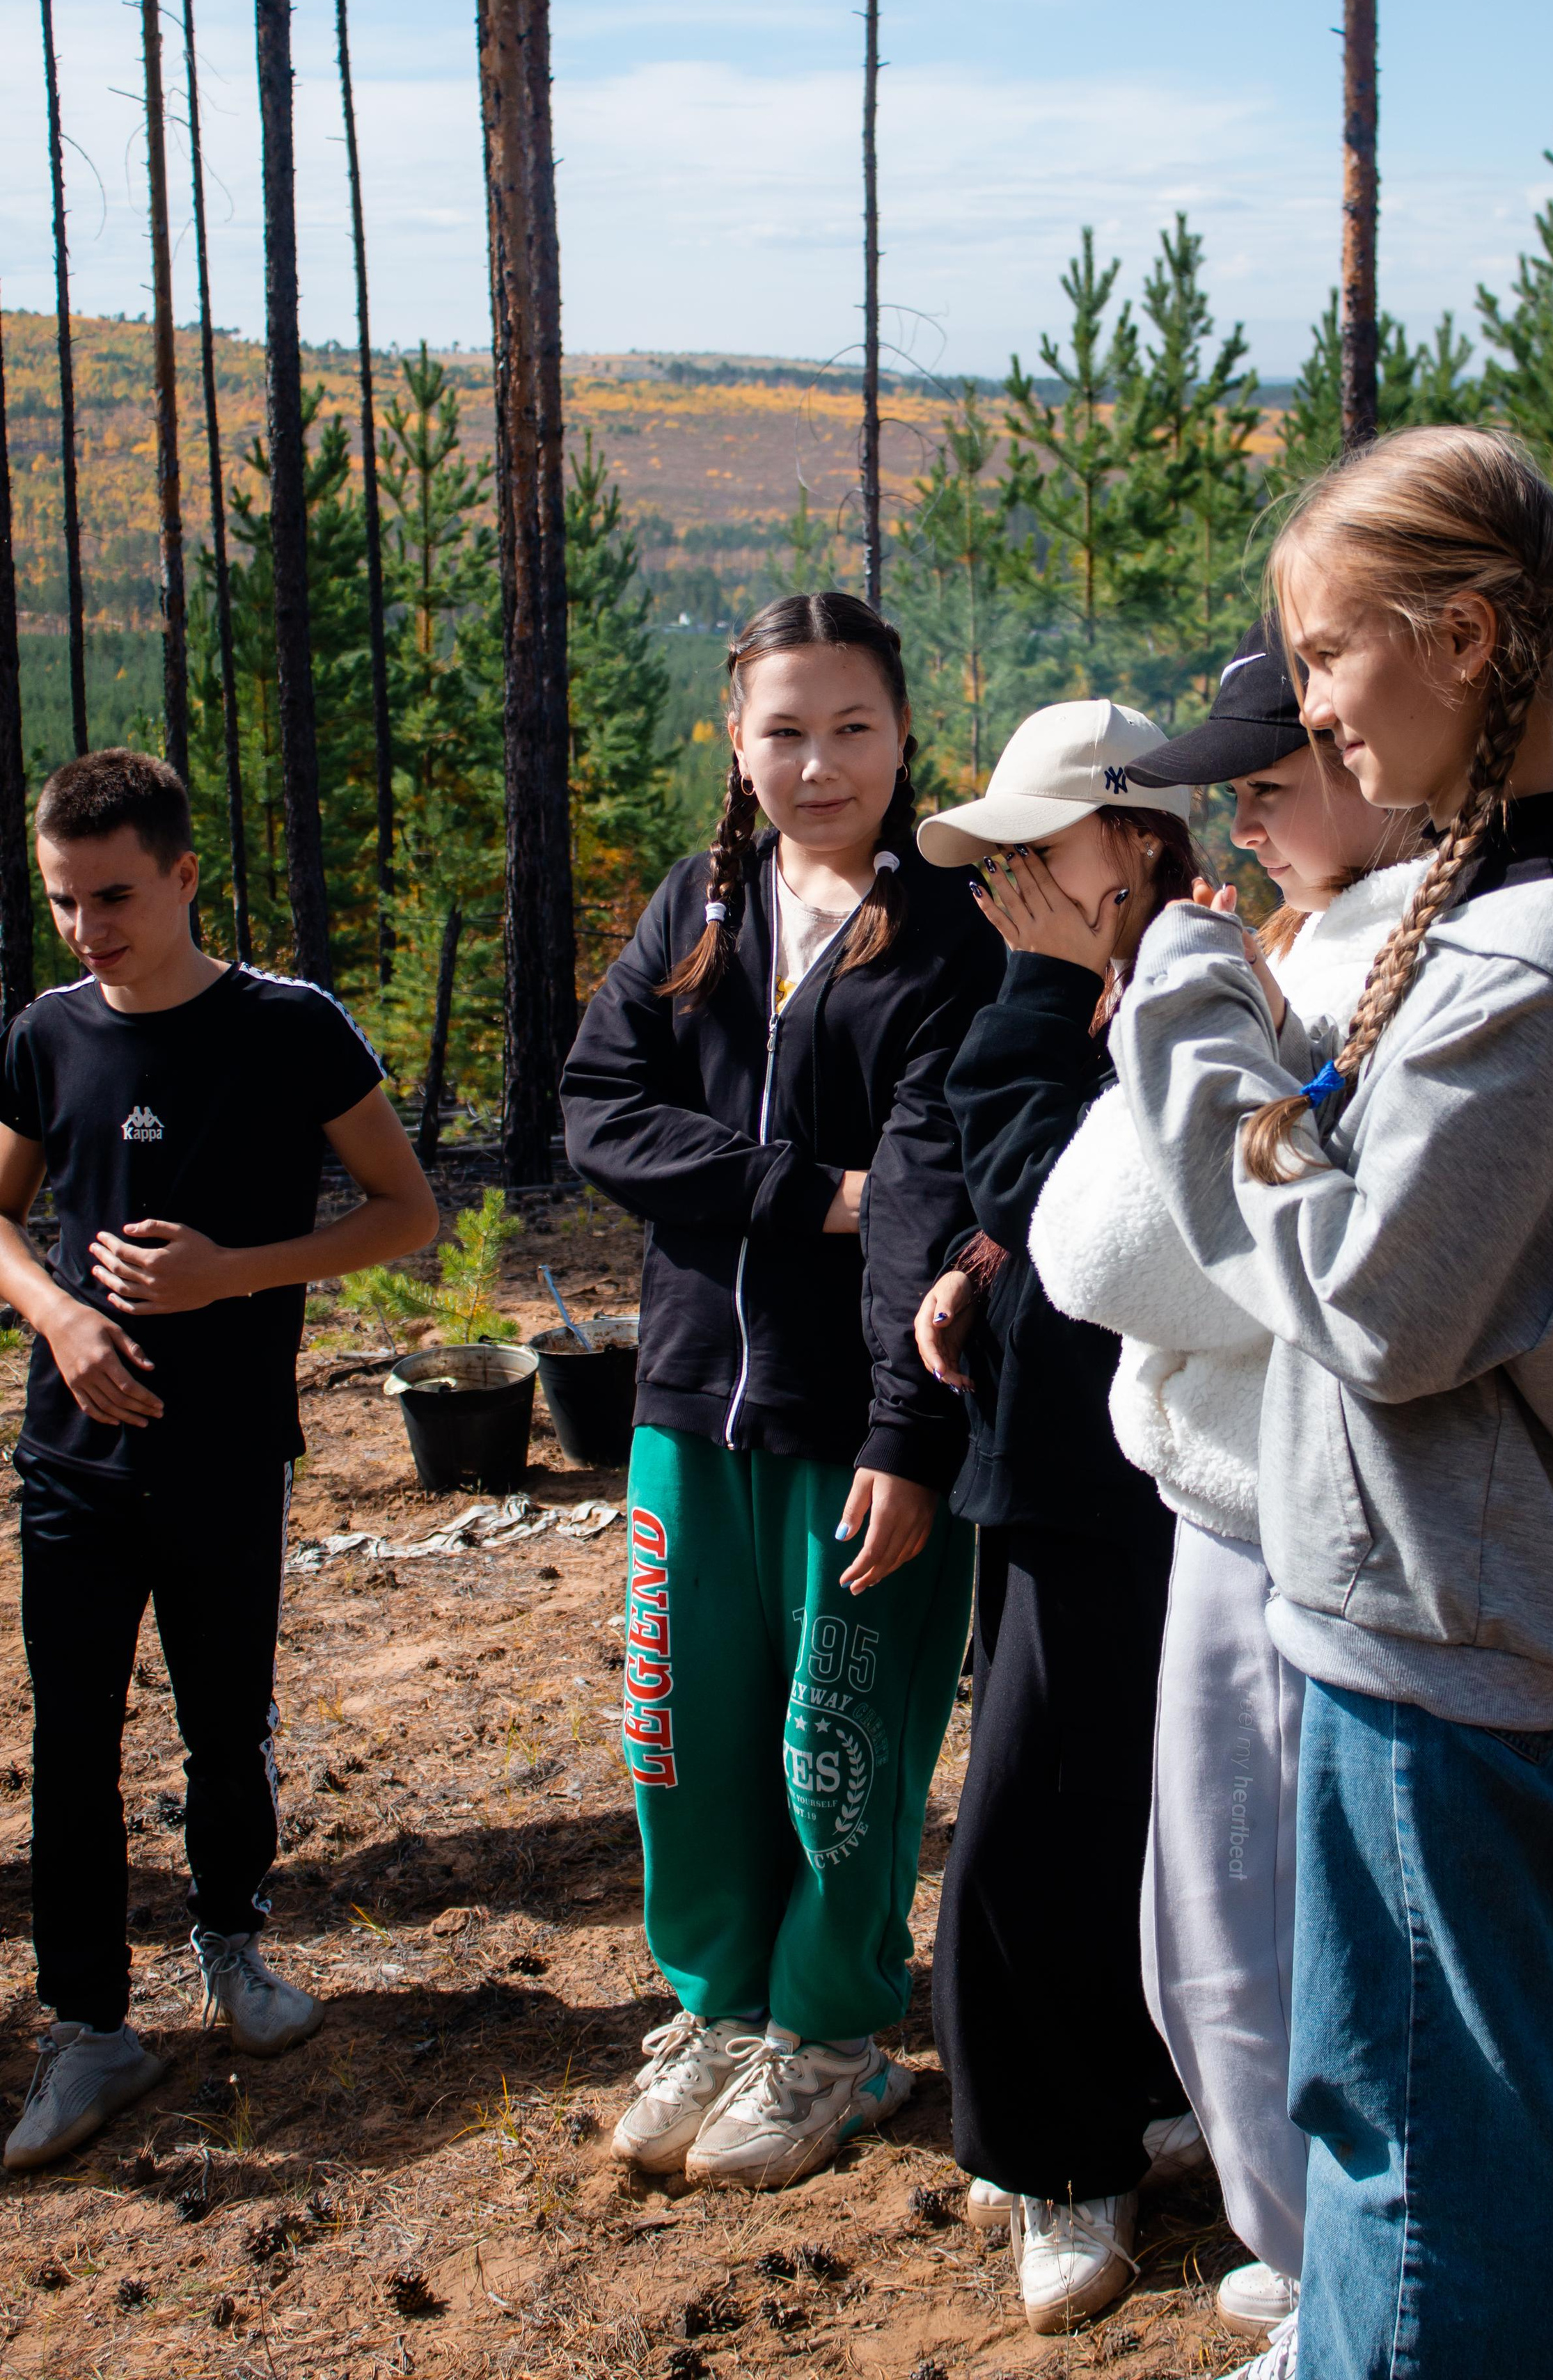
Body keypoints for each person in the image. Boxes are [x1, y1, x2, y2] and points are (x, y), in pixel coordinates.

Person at [1107, 430, 1553, 2380]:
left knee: (1408, 2130)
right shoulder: (1515, 923)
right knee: (1485, 2091)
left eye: (1323, 654)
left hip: (1430, 1640)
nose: (1301, 706)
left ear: (1468, 639)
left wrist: (1188, 1003)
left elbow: (1375, 1305)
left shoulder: (1529, 981)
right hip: (1438, 1609)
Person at [560, 592, 1001, 2190]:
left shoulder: (952, 931)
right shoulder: (698, 903)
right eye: (781, 730)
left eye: (851, 728)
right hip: (688, 1400)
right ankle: (721, 2004)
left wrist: (909, 1429)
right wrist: (802, 1187)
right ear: (735, 745)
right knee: (674, 1732)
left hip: (861, 1421)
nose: (817, 763)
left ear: (899, 735)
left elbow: (937, 1196)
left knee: (843, 1741)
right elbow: (597, 1111)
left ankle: (828, 2032)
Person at [1027, 629, 1424, 2347]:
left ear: (1367, 759)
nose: (1240, 823)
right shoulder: (1298, 939)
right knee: (1213, 1917)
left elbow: (1138, 1247)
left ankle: (1341, 2286)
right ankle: (1311, 2250)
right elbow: (1104, 1232)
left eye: (1267, 784)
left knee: (1274, 1933)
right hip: (1231, 1498)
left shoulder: (1374, 962)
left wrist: (1179, 1065)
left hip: (1300, 1521)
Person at [0, 749, 439, 2173]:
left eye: (114, 895)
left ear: (184, 876)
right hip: (69, 1458)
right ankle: (86, 2028)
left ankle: (234, 1944)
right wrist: (62, 1314)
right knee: (69, 1747)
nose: (89, 928)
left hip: (227, 1450)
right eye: (65, 900)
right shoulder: (46, 1034)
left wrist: (233, 1276)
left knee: (223, 1718)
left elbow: (404, 1214)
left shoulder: (288, 1027)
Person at [908, 700, 1210, 2335]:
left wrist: (1030, 1000)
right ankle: (1047, 2139)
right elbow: (1030, 1203)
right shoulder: (1099, 985)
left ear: (1138, 845)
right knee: (1044, 1794)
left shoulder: (1192, 983)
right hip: (1056, 1456)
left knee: (1113, 1801)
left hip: (1147, 1468)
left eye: (1040, 845)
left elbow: (1085, 1188)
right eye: (996, 854)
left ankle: (1103, 2110)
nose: (1006, 880)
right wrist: (973, 1263)